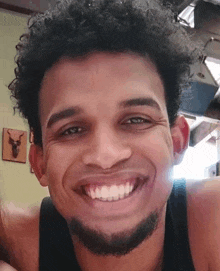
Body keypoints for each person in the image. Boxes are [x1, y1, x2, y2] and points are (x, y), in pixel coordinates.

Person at [1, 0, 220, 270]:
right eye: (71, 130)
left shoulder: (213, 223)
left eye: (137, 119)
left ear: (177, 142)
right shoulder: (18, 243)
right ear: (39, 162)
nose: (106, 155)